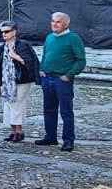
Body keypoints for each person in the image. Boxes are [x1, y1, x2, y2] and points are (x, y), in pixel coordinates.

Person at [37, 11, 86, 151]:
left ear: (66, 24)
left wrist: (69, 74)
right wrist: (41, 68)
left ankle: (68, 140)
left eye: (58, 22)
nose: (54, 24)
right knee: (49, 110)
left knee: (66, 111)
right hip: (47, 78)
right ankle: (50, 136)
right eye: (53, 21)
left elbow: (81, 60)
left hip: (62, 80)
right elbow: (45, 55)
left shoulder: (73, 38)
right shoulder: (49, 37)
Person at [0, 20, 38, 142]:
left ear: (14, 32)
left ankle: (19, 131)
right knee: (8, 104)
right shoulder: (1, 49)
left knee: (16, 104)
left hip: (21, 80)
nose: (4, 34)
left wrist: (16, 57)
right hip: (6, 81)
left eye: (7, 31)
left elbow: (31, 62)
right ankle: (13, 130)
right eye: (2, 32)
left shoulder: (23, 45)